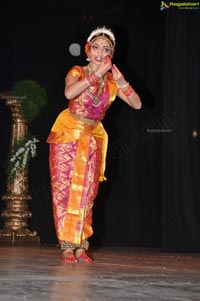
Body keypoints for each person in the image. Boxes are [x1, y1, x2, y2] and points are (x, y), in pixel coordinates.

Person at [47, 26, 142, 263]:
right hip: (68, 134)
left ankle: (81, 246)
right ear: (88, 51)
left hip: (93, 138)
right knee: (65, 190)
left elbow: (137, 104)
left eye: (106, 48)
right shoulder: (77, 71)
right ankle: (67, 246)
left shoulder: (111, 81)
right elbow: (69, 93)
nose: (101, 52)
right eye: (97, 47)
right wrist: (95, 75)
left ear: (111, 55)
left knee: (88, 192)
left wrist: (121, 81)